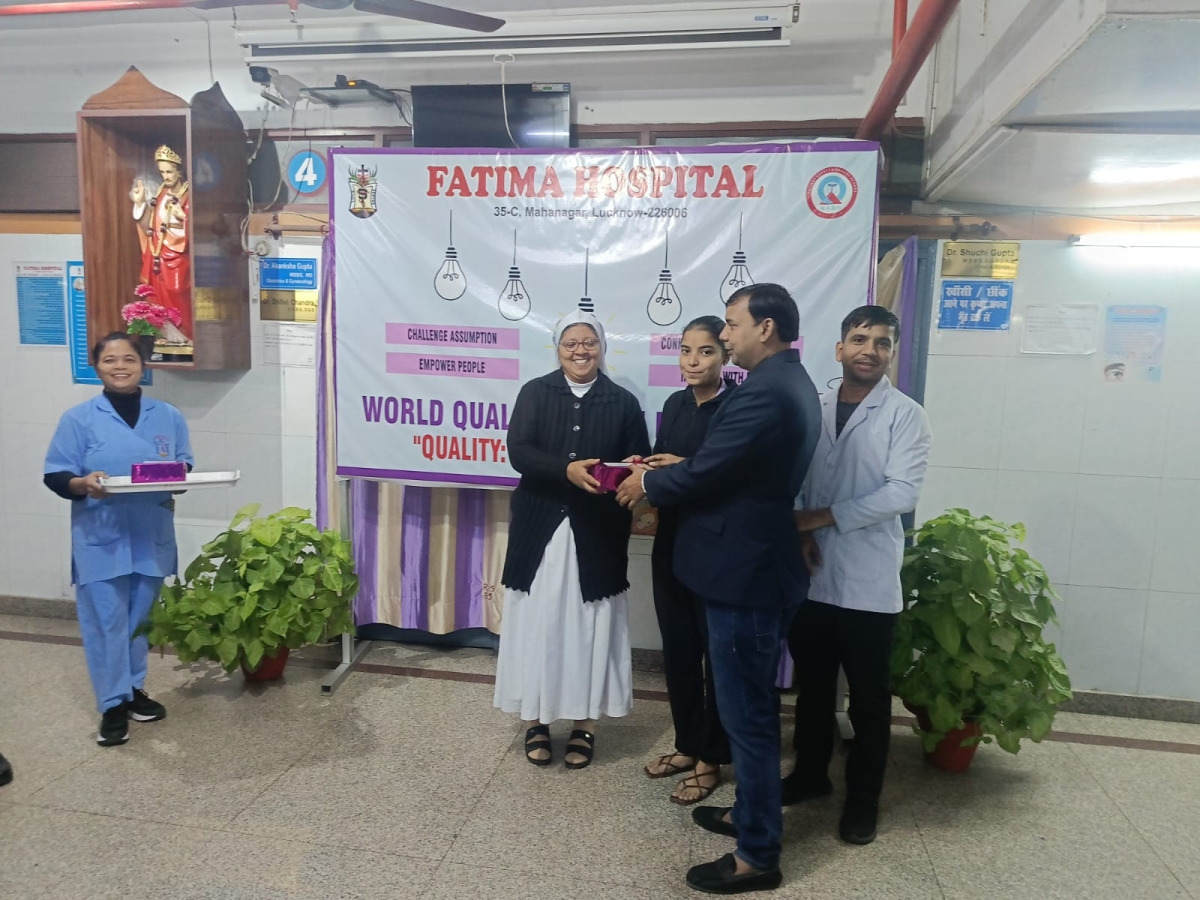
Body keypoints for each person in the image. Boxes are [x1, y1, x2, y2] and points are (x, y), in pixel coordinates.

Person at [618, 284, 822, 895]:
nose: (726, 336)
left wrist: (647, 485)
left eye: (731, 325)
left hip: (745, 574)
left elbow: (711, 472)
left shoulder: (763, 391)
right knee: (748, 707)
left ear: (765, 328)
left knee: (748, 716)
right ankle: (748, 814)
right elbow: (731, 468)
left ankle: (757, 855)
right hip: (753, 562)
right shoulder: (787, 380)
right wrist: (676, 467)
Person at [785, 305, 932, 845]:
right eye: (860, 339)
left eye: (882, 342)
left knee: (869, 699)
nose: (870, 350)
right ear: (840, 348)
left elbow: (902, 493)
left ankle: (863, 801)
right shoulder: (816, 407)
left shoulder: (906, 415)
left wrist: (820, 518)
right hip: (814, 574)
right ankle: (809, 776)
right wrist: (800, 529)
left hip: (869, 581)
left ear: (892, 353)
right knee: (814, 688)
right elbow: (795, 477)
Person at [493, 310, 651, 770]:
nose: (580, 351)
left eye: (589, 342)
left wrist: (634, 466)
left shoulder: (622, 401)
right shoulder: (535, 392)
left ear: (601, 346)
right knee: (539, 620)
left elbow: (637, 459)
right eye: (571, 343)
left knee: (590, 625)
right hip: (540, 528)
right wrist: (564, 469)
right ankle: (536, 720)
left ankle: (585, 724)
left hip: (597, 531)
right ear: (558, 348)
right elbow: (519, 452)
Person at [44, 333, 193, 746]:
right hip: (101, 537)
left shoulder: (168, 416)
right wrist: (83, 483)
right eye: (110, 360)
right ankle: (112, 704)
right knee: (106, 622)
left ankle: (132, 689)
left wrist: (177, 476)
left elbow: (184, 468)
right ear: (97, 367)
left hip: (150, 533)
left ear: (143, 365)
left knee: (140, 621)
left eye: (129, 359)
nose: (120, 366)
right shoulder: (78, 419)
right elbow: (56, 475)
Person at [643, 316, 736, 805]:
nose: (693, 361)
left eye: (706, 351)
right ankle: (687, 743)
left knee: (715, 656)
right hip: (672, 541)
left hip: (716, 548)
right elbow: (663, 468)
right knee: (678, 650)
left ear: (725, 356)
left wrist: (683, 467)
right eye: (685, 351)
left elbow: (728, 478)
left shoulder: (736, 408)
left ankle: (712, 758)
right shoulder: (674, 404)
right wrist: (643, 470)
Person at [130, 145, 192, 343]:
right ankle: (168, 337)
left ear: (179, 172)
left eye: (169, 172)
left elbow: (202, 228)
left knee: (177, 290)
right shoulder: (160, 194)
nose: (166, 176)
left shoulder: (188, 195)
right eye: (162, 172)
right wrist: (140, 203)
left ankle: (188, 335)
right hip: (158, 255)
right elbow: (150, 226)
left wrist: (184, 217)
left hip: (179, 255)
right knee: (156, 295)